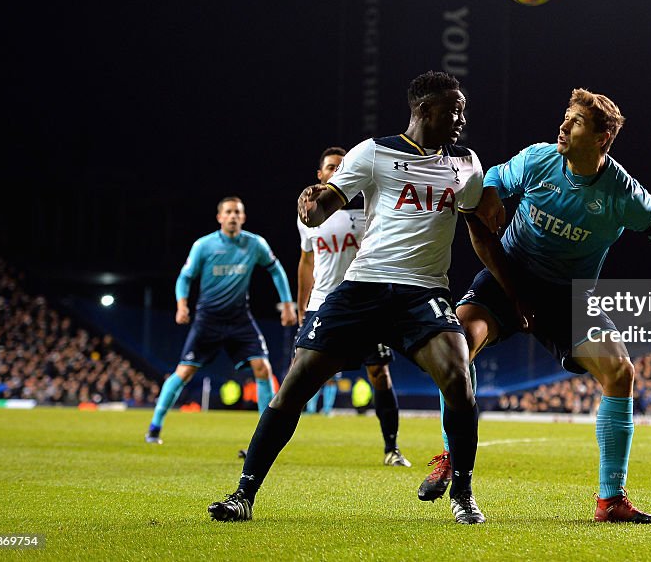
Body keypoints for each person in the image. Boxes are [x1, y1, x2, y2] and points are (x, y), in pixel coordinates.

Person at [417, 88, 651, 524]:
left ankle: (610, 500)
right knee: (457, 348)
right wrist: (492, 193)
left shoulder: (623, 195)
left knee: (620, 372)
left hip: (568, 296)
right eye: (566, 116)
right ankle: (452, 455)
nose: (563, 125)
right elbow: (491, 179)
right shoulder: (540, 158)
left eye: (575, 121)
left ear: (603, 138)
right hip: (509, 278)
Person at [208, 71, 509, 525]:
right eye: (454, 110)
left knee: (458, 378)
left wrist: (501, 260)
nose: (461, 118)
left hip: (424, 291)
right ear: (425, 111)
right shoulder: (373, 152)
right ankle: (243, 494)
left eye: (461, 110)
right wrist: (310, 206)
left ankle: (462, 493)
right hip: (364, 286)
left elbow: (473, 222)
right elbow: (324, 206)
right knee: (297, 383)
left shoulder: (467, 163)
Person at [146, 197, 297, 445]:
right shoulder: (204, 246)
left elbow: (276, 269)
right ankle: (154, 427)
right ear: (219, 217)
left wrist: (287, 305)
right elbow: (185, 278)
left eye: (237, 212)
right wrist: (182, 305)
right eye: (228, 212)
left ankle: (265, 438)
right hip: (208, 319)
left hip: (239, 318)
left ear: (243, 217)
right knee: (184, 371)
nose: (233, 216)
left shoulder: (255, 244)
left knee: (263, 369)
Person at [296, 145, 411, 467]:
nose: (336, 172)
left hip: (366, 304)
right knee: (300, 373)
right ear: (320, 174)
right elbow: (306, 261)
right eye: (330, 167)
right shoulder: (307, 216)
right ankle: (264, 445)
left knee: (379, 373)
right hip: (323, 303)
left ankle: (392, 448)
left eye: (341, 167)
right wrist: (301, 305)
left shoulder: (370, 212)